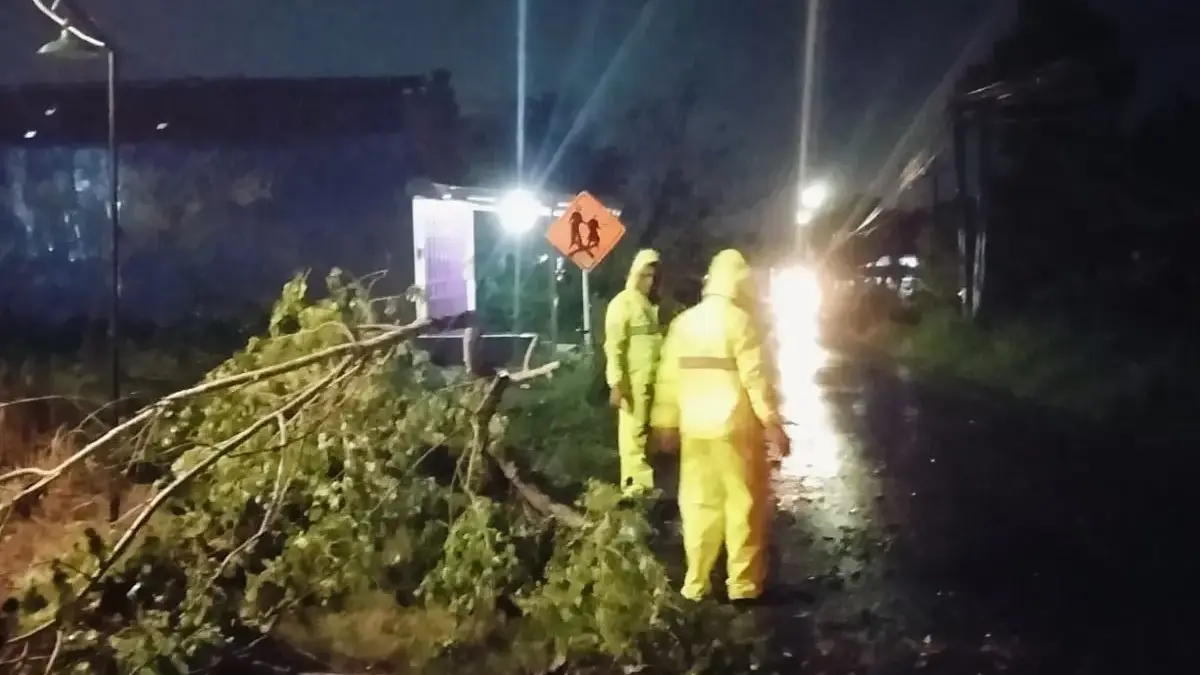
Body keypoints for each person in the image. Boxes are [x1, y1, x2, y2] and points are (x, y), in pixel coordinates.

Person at [650, 249, 790, 604]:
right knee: (743, 505)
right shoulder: (741, 323)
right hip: (735, 430)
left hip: (695, 430)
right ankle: (742, 585)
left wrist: (665, 424)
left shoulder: (684, 323)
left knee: (698, 505)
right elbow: (756, 381)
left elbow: (667, 379)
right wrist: (772, 423)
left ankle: (696, 582)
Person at [604, 249, 664, 495]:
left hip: (649, 383)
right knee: (633, 437)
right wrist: (617, 383)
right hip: (633, 385)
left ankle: (644, 491)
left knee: (644, 437)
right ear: (636, 274)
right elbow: (614, 346)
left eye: (653, 276)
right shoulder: (622, 303)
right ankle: (635, 492)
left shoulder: (648, 305)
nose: (649, 281)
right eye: (645, 275)